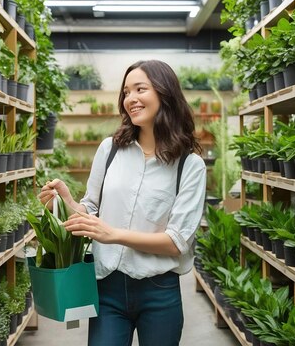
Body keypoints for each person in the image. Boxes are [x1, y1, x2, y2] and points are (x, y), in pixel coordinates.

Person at [38, 60, 207, 346]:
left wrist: (113, 234)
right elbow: (90, 211)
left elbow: (177, 241)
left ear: (165, 93)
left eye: (140, 89)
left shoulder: (189, 165)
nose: (131, 99)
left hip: (159, 292)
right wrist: (66, 201)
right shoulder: (111, 149)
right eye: (126, 92)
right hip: (107, 289)